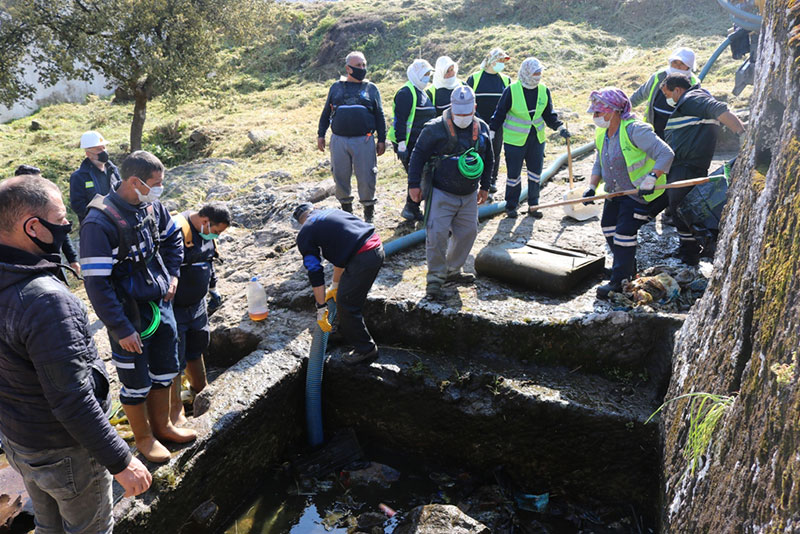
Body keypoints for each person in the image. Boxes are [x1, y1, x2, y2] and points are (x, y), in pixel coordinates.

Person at [0, 175, 151, 533]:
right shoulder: (44, 300)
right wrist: (121, 461)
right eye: (61, 217)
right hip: (64, 450)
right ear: (33, 226)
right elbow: (72, 398)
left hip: (20, 440)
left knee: (49, 527)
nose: (67, 225)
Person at [80, 150, 196, 464]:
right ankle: (144, 438)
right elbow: (97, 284)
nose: (160, 189)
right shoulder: (99, 222)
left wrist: (172, 274)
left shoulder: (152, 206)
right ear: (135, 182)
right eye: (155, 183)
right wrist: (120, 328)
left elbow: (173, 238)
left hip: (160, 303)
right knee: (135, 381)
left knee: (166, 368)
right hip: (128, 313)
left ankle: (165, 426)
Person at [583, 88, 675, 299]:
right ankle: (626, 267)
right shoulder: (602, 133)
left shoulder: (635, 130)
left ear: (613, 111)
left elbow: (666, 153)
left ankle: (619, 281)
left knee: (624, 232)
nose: (595, 118)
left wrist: (652, 177)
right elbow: (600, 162)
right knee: (608, 227)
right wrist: (591, 186)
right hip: (616, 192)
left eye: (598, 113)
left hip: (643, 194)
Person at [407, 86, 493, 300]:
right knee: (436, 235)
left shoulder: (481, 128)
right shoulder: (434, 128)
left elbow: (490, 158)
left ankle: (452, 271)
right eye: (459, 113)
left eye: (467, 113)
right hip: (441, 192)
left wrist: (485, 186)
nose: (463, 118)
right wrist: (413, 185)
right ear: (451, 108)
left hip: (469, 194)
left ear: (474, 107)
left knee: (468, 232)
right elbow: (417, 156)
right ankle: (435, 279)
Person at [655, 73, 745, 265]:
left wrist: (742, 133)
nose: (667, 99)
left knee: (681, 207)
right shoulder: (688, 103)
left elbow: (719, 109)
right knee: (679, 207)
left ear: (677, 89)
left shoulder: (692, 98)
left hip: (687, 165)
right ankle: (690, 249)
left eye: (667, 94)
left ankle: (694, 252)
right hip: (683, 164)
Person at [293, 203, 384, 365]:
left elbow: (315, 271)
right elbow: (342, 254)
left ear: (301, 222)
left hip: (363, 256)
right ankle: (344, 332)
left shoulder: (306, 231)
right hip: (375, 248)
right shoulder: (331, 213)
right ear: (312, 210)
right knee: (344, 295)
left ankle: (366, 349)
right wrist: (335, 285)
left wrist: (321, 308)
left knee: (346, 303)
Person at [168, 202, 230, 426]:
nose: (216, 236)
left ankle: (201, 391)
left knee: (196, 349)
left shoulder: (207, 236)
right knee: (175, 358)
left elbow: (209, 261)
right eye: (216, 231)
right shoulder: (176, 229)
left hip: (198, 306)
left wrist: (213, 287)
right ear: (205, 221)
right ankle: (175, 411)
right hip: (175, 309)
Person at [490, 57, 571, 218]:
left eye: (540, 72)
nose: (539, 76)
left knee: (535, 173)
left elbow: (549, 114)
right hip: (515, 141)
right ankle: (511, 205)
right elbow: (499, 113)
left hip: (536, 140)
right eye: (536, 72)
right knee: (513, 175)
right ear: (527, 72)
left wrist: (560, 127)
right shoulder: (512, 90)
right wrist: (491, 131)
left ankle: (534, 205)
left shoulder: (543, 90)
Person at [317, 51, 386, 222]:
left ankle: (368, 212)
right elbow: (326, 112)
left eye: (364, 65)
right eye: (358, 66)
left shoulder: (371, 88)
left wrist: (382, 140)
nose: (362, 69)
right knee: (340, 175)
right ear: (348, 68)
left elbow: (379, 115)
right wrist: (321, 134)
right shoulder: (336, 87)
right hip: (339, 140)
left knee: (367, 176)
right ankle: (347, 211)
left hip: (365, 139)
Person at [388, 59, 437, 221]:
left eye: (429, 75)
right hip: (407, 143)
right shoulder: (406, 93)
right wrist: (401, 143)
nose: (427, 78)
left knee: (419, 175)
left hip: (421, 143)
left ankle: (412, 207)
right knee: (418, 175)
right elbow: (400, 120)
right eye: (424, 75)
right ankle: (411, 208)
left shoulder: (423, 92)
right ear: (415, 74)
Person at [14, 164, 81, 274]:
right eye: (38, 181)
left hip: (52, 263)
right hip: (25, 268)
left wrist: (72, 259)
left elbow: (60, 229)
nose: (42, 184)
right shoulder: (9, 208)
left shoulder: (48, 202)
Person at [466, 48, 512, 193]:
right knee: (475, 150)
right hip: (476, 124)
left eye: (503, 61)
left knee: (495, 152)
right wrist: (477, 120)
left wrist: (495, 123)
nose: (502, 64)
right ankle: (473, 179)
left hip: (497, 125)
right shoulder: (474, 78)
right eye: (499, 60)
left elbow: (508, 103)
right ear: (491, 61)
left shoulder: (506, 80)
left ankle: (492, 180)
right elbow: (467, 99)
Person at [630, 47, 700, 139]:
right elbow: (641, 94)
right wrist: (624, 107)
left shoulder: (694, 84)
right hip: (653, 130)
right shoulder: (659, 76)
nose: (677, 66)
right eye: (675, 62)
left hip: (678, 134)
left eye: (682, 64)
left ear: (689, 66)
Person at [69, 130, 122, 222]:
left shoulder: (113, 170)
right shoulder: (79, 177)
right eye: (98, 149)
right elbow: (78, 206)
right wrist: (99, 215)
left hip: (117, 223)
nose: (103, 151)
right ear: (88, 154)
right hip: (95, 226)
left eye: (104, 147)